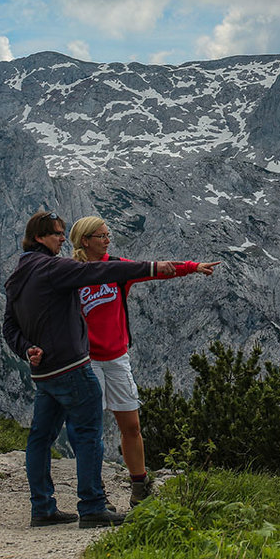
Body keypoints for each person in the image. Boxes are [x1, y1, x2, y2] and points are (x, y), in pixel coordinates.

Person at [3, 210, 176, 529]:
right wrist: (154, 267)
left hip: (45, 373)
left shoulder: (17, 276)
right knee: (88, 434)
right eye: (56, 233)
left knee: (40, 438)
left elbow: (9, 326)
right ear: (40, 237)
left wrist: (26, 348)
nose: (60, 238)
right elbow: (101, 270)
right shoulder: (53, 268)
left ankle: (42, 508)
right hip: (72, 365)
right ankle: (94, 506)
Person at [67, 215, 219, 506]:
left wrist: (192, 268)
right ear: (85, 241)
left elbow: (154, 270)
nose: (107, 240)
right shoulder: (71, 273)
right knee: (90, 428)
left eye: (108, 235)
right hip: (86, 361)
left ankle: (139, 485)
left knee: (132, 426)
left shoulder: (117, 268)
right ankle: (94, 490)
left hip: (117, 358)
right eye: (102, 236)